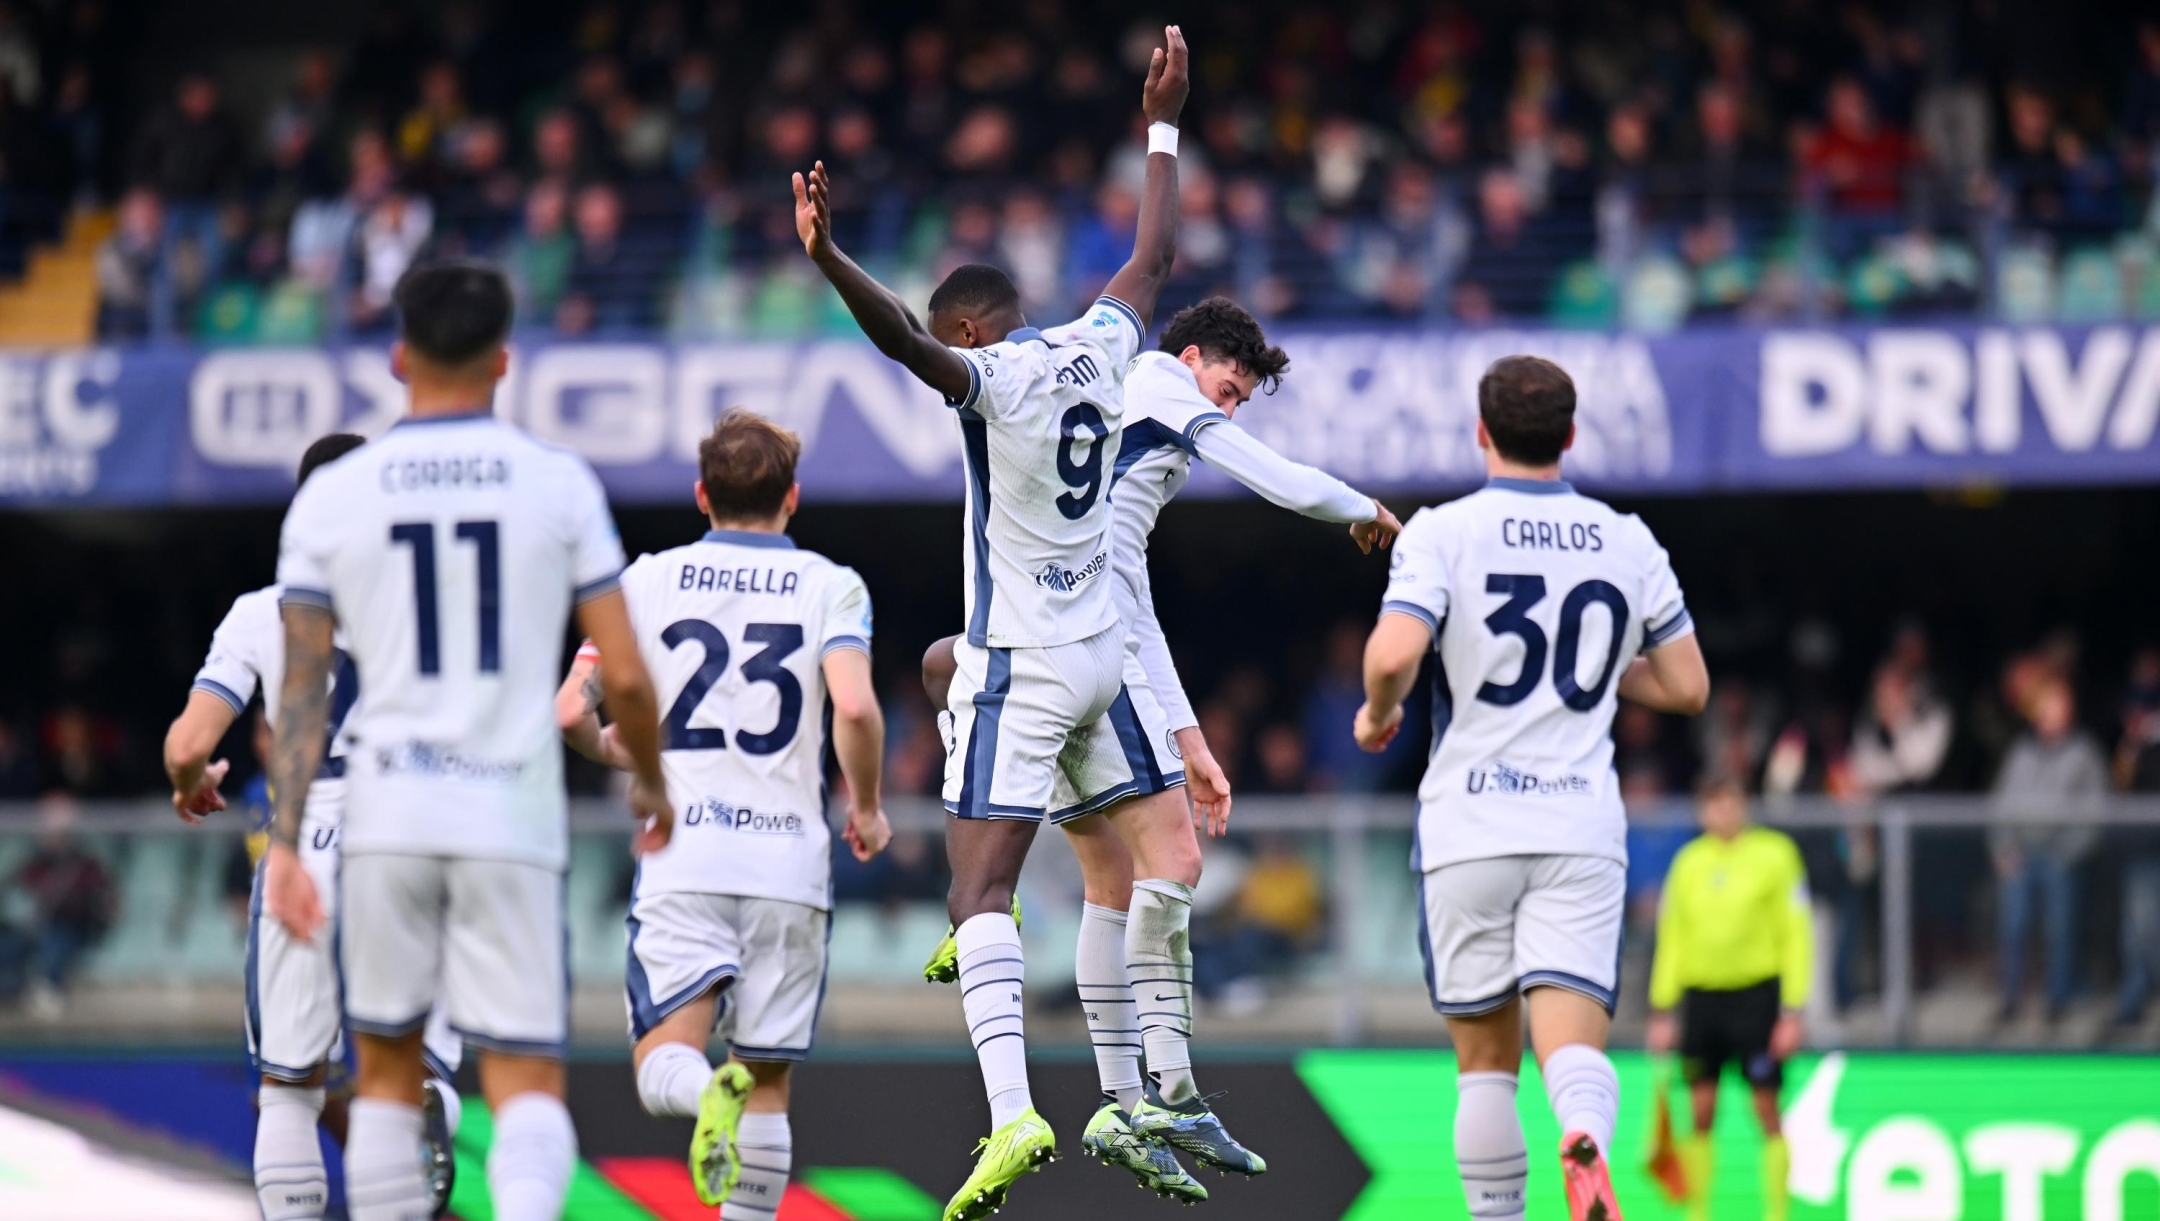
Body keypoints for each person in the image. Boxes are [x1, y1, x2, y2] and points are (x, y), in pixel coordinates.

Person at [793, 26, 1188, 1221]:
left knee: (976, 899)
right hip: (1098, 658)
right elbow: (1154, 256)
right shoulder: (1099, 344)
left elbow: (903, 344)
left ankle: (1014, 1111)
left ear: (972, 331)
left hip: (1019, 661)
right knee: (938, 672)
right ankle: (1136, 1089)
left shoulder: (996, 377)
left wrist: (828, 257)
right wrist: (1162, 120)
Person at [919, 295, 1400, 1200]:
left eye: (1239, 400)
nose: (1226, 410)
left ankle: (1119, 1098)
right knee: (1173, 858)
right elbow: (1271, 474)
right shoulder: (1159, 383)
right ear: (1191, 358)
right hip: (1083, 652)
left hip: (1087, 643)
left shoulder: (1136, 424)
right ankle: (1167, 1091)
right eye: (1227, 387)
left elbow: (1133, 592)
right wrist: (1361, 507)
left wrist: (1188, 737)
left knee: (1112, 877)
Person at [259, 261, 672, 1221]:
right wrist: (648, 782)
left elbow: (302, 689)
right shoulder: (557, 483)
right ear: (504, 359)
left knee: (386, 1080)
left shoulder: (333, 496)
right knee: (524, 1081)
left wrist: (283, 842)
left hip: (386, 815)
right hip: (509, 815)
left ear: (399, 356)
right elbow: (624, 668)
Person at [1354, 354, 1709, 1221]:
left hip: (1469, 822)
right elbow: (1689, 686)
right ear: (1571, 435)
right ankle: (1581, 1132)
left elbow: (1396, 653)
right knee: (1571, 1047)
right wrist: (1594, 671)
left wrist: (1375, 713)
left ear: (1483, 432)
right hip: (1579, 826)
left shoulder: (1444, 530)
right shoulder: (1627, 538)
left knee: (1484, 1061)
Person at [552, 408, 893, 1217]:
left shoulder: (644, 580)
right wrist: (869, 806)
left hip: (686, 855)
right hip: (789, 866)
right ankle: (731, 1099)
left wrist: (633, 756)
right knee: (768, 1079)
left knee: (661, 1064)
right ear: (794, 498)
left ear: (702, 494)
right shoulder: (832, 584)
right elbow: (854, 706)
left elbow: (570, 712)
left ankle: (705, 1086)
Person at [163, 431, 468, 1221]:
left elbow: (188, 743)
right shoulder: (438, 603)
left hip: (306, 853)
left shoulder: (259, 612)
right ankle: (430, 1106)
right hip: (413, 843)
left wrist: (193, 781)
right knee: (415, 1068)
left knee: (290, 1091)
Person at [1645, 778, 1813, 1221]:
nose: (1724, 813)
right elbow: (1672, 936)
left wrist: (1793, 1009)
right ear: (1703, 812)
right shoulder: (1688, 862)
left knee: (1766, 1107)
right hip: (1702, 1001)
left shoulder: (1775, 855)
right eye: (1714, 804)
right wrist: (1663, 1008)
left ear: (1744, 806)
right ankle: (1698, 1213)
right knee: (1700, 1110)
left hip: (1756, 999)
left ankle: (1777, 1214)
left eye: (1731, 802)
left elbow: (1796, 933)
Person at [1990, 673, 2107, 1025]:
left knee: (2060, 929)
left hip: (2060, 858)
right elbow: (2001, 804)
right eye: (2047, 706)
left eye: (2060, 705)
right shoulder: (2020, 752)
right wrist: (2002, 847)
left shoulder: (2084, 753)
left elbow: (2096, 812)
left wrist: (2067, 853)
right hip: (2020, 857)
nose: (2052, 712)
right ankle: (2010, 999)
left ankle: (2058, 999)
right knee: (2013, 926)